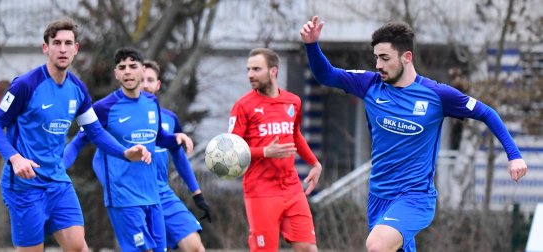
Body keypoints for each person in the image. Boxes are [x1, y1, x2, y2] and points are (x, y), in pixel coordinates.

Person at [300, 16, 528, 252]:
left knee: (377, 246)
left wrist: (514, 155)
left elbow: (487, 113)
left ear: (407, 57)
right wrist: (311, 44)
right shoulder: (369, 84)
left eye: (385, 58)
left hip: (415, 198)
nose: (378, 65)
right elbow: (326, 75)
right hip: (378, 197)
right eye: (376, 57)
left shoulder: (437, 95)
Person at [0, 19, 152, 252]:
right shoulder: (25, 85)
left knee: (77, 246)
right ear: (46, 48)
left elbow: (94, 131)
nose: (62, 49)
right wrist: (16, 159)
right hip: (24, 186)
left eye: (68, 43)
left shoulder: (78, 89)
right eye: (56, 43)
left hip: (57, 182)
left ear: (76, 49)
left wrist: (125, 153)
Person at [62, 47, 194, 252]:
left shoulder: (151, 102)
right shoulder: (104, 108)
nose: (128, 71)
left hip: (152, 196)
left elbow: (159, 138)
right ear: (116, 73)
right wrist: (59, 167)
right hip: (123, 198)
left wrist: (177, 138)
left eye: (133, 66)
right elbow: (79, 142)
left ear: (142, 70)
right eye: (122, 67)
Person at [228, 48, 323, 252]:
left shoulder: (293, 101)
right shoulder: (243, 106)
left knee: (308, 248)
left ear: (273, 71)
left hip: (291, 187)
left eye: (256, 69)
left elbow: (294, 134)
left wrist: (314, 163)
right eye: (248, 69)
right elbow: (231, 151)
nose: (250, 75)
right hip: (260, 190)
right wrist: (264, 152)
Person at [141, 60, 209, 252]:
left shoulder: (169, 119)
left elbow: (179, 157)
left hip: (162, 192)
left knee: (195, 247)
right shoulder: (121, 116)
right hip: (135, 194)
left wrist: (197, 193)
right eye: (141, 79)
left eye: (150, 80)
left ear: (158, 85)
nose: (145, 84)